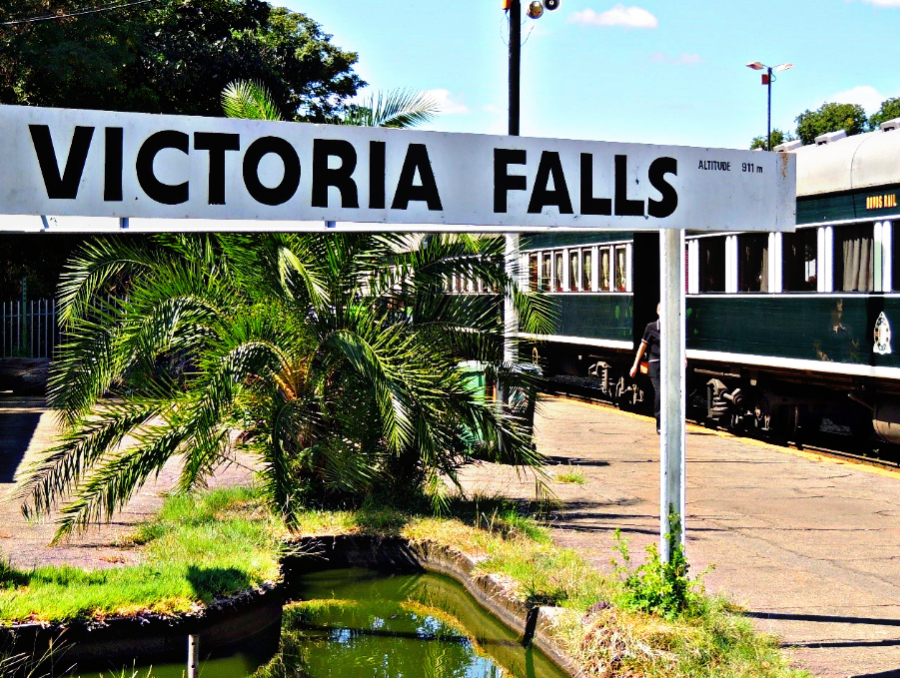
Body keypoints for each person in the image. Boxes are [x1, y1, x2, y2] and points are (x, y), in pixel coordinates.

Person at [629, 303, 661, 433]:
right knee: (660, 393)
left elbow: (680, 343)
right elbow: (642, 347)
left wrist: (684, 358)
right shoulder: (651, 327)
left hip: (668, 365)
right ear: (658, 312)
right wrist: (635, 365)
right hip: (655, 365)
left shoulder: (673, 327)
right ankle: (660, 424)